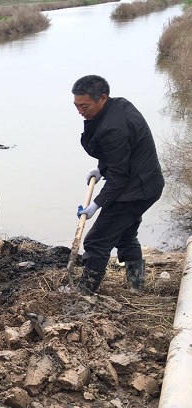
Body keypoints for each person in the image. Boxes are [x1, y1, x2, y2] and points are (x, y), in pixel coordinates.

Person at [72, 75, 164, 294]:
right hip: (147, 183)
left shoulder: (113, 128)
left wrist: (96, 204)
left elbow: (119, 176)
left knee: (96, 241)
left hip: (136, 190)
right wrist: (102, 168)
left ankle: (85, 292)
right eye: (76, 105)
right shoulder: (118, 106)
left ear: (102, 98)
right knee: (125, 234)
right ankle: (136, 287)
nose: (80, 111)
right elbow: (120, 153)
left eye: (84, 106)